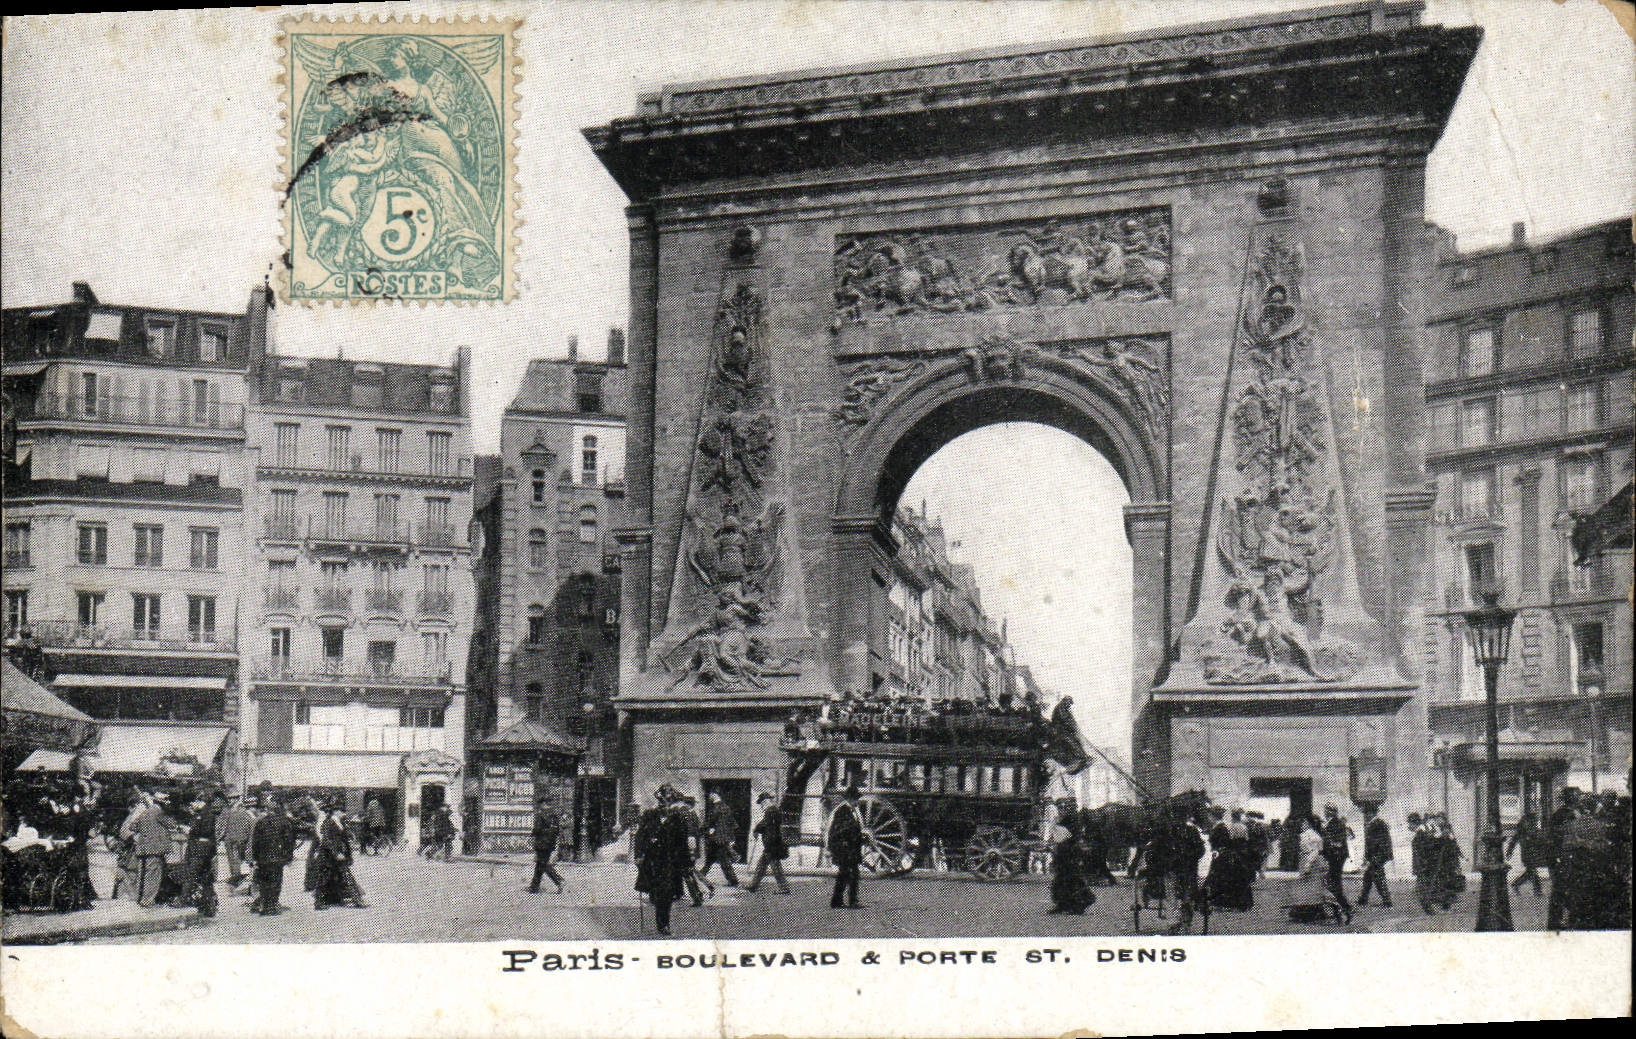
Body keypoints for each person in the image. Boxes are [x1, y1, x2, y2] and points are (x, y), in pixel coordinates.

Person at [634, 788, 691, 936]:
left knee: (666, 893)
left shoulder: (678, 819)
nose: (664, 804)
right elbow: (640, 836)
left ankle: (663, 924)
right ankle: (659, 912)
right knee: (655, 893)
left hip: (670, 862)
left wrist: (686, 863)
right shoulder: (649, 816)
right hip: (652, 861)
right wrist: (638, 855)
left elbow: (682, 843)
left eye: (668, 801)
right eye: (662, 801)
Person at [1287, 814, 1349, 924]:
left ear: (1309, 824)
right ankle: (1315, 911)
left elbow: (1314, 852)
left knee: (1314, 889)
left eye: (1305, 823)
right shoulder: (1315, 835)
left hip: (1311, 863)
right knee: (1314, 889)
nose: (1302, 825)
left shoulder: (1310, 835)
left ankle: (1334, 908)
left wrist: (1307, 865)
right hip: (1313, 863)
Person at [314, 798, 366, 909]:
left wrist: (348, 855)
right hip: (327, 856)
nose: (344, 813)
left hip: (337, 856)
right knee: (323, 880)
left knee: (346, 877)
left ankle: (356, 900)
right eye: (342, 811)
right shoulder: (329, 822)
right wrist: (336, 853)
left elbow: (344, 840)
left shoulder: (339, 822)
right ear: (336, 811)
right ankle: (319, 903)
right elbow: (326, 840)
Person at [248, 794, 296, 915]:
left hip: (263, 858)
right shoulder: (285, 822)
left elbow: (255, 842)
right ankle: (272, 906)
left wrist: (255, 858)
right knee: (276, 882)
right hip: (278, 857)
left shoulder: (261, 822)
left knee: (264, 882)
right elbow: (289, 841)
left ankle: (265, 905)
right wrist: (288, 857)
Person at [182, 789, 223, 917]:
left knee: (191, 873)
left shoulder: (205, 813)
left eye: (195, 801)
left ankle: (184, 899)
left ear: (201, 800)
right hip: (205, 849)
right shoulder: (205, 812)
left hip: (200, 850)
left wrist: (189, 830)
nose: (192, 804)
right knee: (206, 877)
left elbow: (204, 831)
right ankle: (209, 903)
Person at [131, 788, 175, 908]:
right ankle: (148, 900)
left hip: (143, 848)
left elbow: (132, 826)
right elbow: (173, 825)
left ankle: (139, 898)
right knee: (153, 875)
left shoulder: (145, 812)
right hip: (155, 848)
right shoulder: (159, 813)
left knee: (142, 874)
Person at [1167, 810, 1207, 935]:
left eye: (1181, 817)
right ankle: (1177, 922)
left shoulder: (1191, 831)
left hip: (1187, 869)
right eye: (1177, 817)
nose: (1179, 820)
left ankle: (1184, 922)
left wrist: (1190, 857)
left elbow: (1201, 849)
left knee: (1186, 897)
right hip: (1177, 869)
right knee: (1177, 895)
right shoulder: (1171, 832)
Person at [1048, 810, 1093, 915]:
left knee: (1071, 883)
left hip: (1069, 859)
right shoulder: (1067, 831)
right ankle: (1062, 905)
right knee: (1061, 882)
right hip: (1065, 858)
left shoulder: (1069, 834)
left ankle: (1077, 906)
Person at [745, 793, 790, 894]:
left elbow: (764, 824)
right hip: (772, 843)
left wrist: (756, 829)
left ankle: (784, 888)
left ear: (765, 802)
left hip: (771, 844)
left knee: (775, 867)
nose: (761, 806)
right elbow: (766, 824)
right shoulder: (773, 811)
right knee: (762, 865)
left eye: (761, 803)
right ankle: (753, 885)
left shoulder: (771, 811)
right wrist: (758, 829)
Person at [828, 785, 864, 909]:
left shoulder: (852, 811)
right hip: (845, 849)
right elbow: (839, 831)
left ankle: (837, 900)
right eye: (856, 799)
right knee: (850, 874)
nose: (857, 802)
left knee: (845, 874)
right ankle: (850, 901)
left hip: (851, 849)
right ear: (850, 799)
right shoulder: (842, 811)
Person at [1320, 803, 1354, 920]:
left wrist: (1326, 846)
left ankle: (1344, 906)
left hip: (1336, 857)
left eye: (1326, 810)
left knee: (1333, 882)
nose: (1325, 812)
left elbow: (1338, 842)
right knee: (1333, 881)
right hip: (1335, 856)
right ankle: (1342, 906)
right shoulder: (1333, 823)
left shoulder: (1336, 823)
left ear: (1331, 812)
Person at [700, 791, 741, 887]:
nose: (709, 797)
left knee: (723, 860)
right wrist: (731, 837)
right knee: (711, 858)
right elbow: (733, 823)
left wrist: (701, 830)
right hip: (722, 838)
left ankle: (733, 881)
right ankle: (701, 875)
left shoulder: (714, 808)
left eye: (711, 795)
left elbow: (709, 821)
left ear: (714, 795)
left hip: (716, 839)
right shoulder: (727, 807)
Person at [1356, 809, 1393, 909]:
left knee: (1378, 878)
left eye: (1367, 813)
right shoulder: (1376, 823)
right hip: (1376, 855)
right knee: (1368, 877)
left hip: (1377, 855)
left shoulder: (1378, 824)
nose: (1366, 815)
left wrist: (1376, 857)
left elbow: (1380, 842)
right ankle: (1363, 899)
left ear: (1372, 813)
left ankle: (1387, 901)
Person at [218, 793, 255, 891]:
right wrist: (220, 837)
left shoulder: (243, 811)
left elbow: (250, 826)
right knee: (232, 860)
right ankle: (236, 878)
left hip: (239, 840)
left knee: (237, 860)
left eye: (232, 798)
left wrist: (248, 841)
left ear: (237, 799)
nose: (230, 800)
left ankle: (237, 880)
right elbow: (222, 825)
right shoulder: (227, 811)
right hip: (229, 839)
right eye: (229, 798)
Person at [528, 799, 565, 895]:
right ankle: (534, 887)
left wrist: (532, 835)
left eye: (540, 804)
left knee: (543, 864)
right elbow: (557, 830)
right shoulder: (554, 816)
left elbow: (537, 829)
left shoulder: (540, 815)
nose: (539, 806)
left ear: (543, 804)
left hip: (541, 843)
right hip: (550, 843)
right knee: (539, 864)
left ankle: (559, 880)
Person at [1508, 810, 1546, 896]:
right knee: (1532, 871)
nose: (1536, 822)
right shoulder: (1526, 830)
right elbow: (1514, 840)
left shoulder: (1530, 829)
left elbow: (1514, 840)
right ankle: (1536, 890)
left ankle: (1517, 885)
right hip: (1528, 854)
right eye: (1534, 820)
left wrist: (1509, 851)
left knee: (1531, 872)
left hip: (1531, 853)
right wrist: (1509, 851)